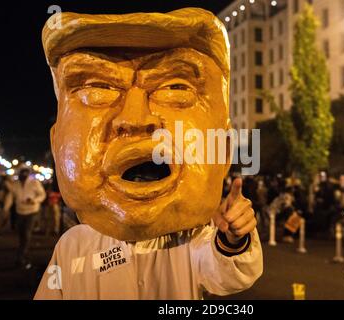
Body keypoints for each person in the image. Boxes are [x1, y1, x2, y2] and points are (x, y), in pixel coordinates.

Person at [35, 8, 262, 300]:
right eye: (98, 88)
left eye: (175, 87)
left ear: (224, 147)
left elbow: (229, 273)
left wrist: (233, 238)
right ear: (56, 145)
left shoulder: (193, 242)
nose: (135, 119)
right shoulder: (72, 247)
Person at [11, 168, 46, 267]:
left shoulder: (34, 182)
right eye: (21, 172)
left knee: (26, 233)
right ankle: (23, 252)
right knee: (21, 234)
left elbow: (42, 195)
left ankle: (21, 256)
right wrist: (5, 209)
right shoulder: (16, 184)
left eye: (24, 173)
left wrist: (34, 200)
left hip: (31, 211)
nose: (22, 175)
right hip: (20, 211)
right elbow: (12, 196)